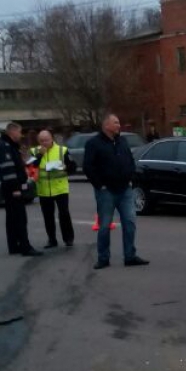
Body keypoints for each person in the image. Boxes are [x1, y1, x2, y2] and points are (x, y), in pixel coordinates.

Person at [83, 113, 149, 271]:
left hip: (125, 189)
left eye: (118, 122)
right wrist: (100, 185)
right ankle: (103, 258)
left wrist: (131, 177)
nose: (119, 125)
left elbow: (129, 160)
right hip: (106, 191)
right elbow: (88, 167)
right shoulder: (94, 143)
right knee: (105, 226)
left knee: (130, 222)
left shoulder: (122, 141)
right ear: (106, 125)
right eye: (116, 123)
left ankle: (130, 256)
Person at [0, 122, 42, 257]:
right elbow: (9, 169)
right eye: (19, 132)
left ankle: (14, 245)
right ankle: (25, 247)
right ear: (12, 132)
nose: (21, 135)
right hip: (12, 188)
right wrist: (15, 188)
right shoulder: (6, 147)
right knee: (20, 218)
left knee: (12, 219)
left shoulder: (9, 146)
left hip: (9, 187)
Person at [29, 129, 77, 249]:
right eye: (41, 140)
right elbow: (31, 169)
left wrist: (65, 167)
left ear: (52, 139)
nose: (44, 143)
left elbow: (73, 167)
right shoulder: (34, 151)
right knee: (48, 216)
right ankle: (51, 239)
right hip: (44, 189)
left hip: (60, 188)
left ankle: (68, 239)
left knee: (64, 214)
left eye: (46, 140)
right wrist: (40, 155)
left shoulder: (62, 150)